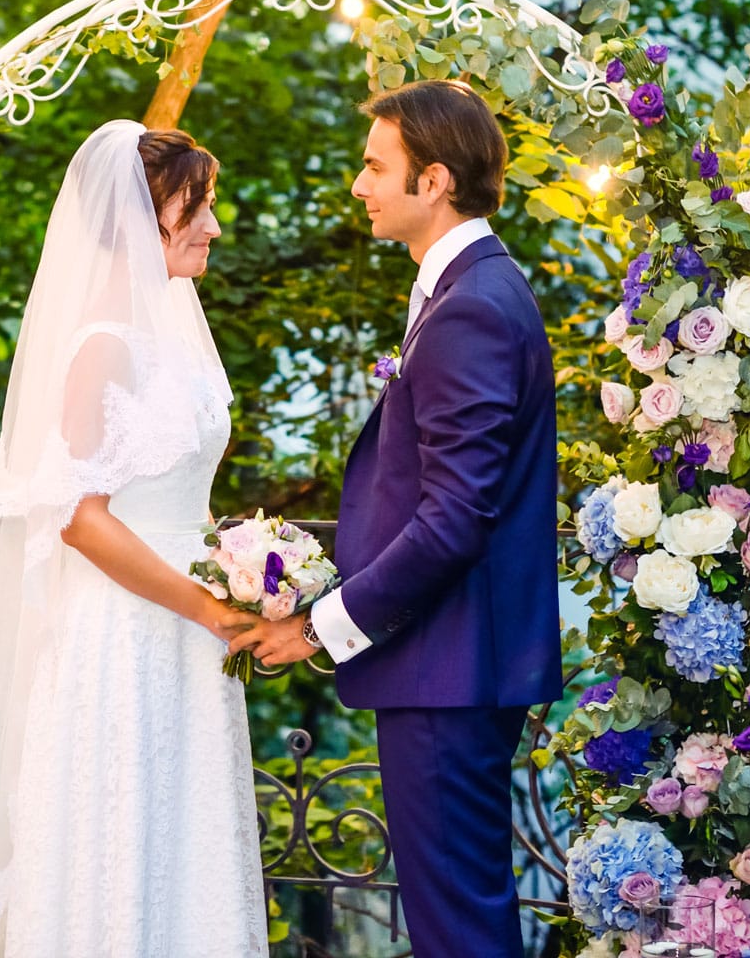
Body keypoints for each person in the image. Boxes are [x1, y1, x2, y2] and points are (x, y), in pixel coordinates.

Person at [231, 79, 562, 957]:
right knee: (461, 914)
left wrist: (321, 626)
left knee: (458, 928)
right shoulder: (470, 292)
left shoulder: (471, 308)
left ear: (435, 180)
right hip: (454, 665)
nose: (359, 184)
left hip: (447, 668)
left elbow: (454, 518)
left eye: (376, 167)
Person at [0, 121, 267, 957]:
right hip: (121, 634)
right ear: (138, 218)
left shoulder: (175, 336)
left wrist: (243, 572)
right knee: (118, 843)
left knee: (184, 848)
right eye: (196, 206)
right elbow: (80, 519)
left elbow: (173, 492)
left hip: (188, 631)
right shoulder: (100, 349)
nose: (213, 226)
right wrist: (209, 608)